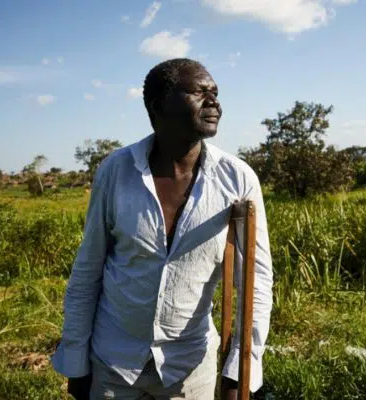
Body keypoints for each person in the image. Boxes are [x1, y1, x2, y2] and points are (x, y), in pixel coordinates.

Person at [51, 58, 273, 400]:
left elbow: (255, 283)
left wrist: (238, 372)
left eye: (215, 93)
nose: (213, 101)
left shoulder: (237, 178)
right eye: (198, 92)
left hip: (189, 367)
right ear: (158, 105)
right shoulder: (116, 171)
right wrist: (76, 360)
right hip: (114, 360)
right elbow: (88, 269)